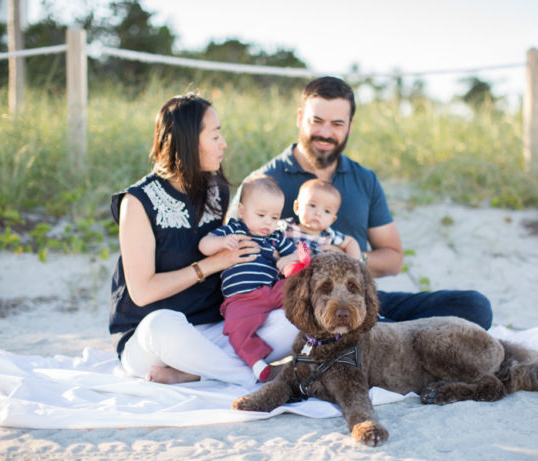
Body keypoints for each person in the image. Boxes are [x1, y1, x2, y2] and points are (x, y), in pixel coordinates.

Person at [235, 76, 493, 329]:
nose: (325, 133)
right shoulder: (264, 181)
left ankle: (393, 333)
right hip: (298, 305)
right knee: (365, 330)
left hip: (358, 300)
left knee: (474, 306)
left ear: (350, 125)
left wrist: (348, 260)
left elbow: (392, 259)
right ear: (300, 117)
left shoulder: (364, 179)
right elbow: (236, 251)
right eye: (317, 121)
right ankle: (393, 336)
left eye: (337, 124)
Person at [109, 94, 297, 386]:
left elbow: (235, 249)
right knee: (163, 325)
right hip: (154, 339)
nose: (223, 144)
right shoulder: (137, 202)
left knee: (294, 317)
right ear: (186, 142)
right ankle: (258, 375)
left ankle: (195, 373)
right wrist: (210, 265)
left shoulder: (216, 189)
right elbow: (142, 292)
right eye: (215, 136)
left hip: (215, 328)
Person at [198, 175, 296, 382]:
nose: (268, 222)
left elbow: (302, 250)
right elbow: (204, 245)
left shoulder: (275, 237)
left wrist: (290, 259)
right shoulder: (235, 230)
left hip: (272, 290)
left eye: (274, 217)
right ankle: (256, 362)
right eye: (261, 215)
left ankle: (320, 338)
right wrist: (223, 242)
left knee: (301, 288)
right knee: (236, 330)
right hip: (242, 299)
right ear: (242, 211)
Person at [279, 178, 361, 259]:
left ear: (332, 220)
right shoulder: (286, 227)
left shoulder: (329, 235)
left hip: (319, 271)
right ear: (297, 207)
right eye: (312, 205)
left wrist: (353, 262)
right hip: (290, 268)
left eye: (327, 211)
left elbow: (350, 242)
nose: (318, 213)